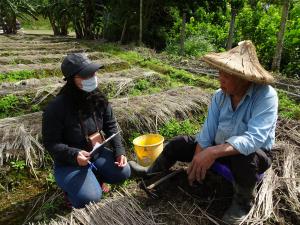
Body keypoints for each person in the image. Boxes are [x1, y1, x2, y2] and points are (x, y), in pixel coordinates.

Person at [129, 40, 278, 224]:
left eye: (227, 74)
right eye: (220, 72)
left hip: (254, 154)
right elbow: (207, 133)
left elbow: (254, 139)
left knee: (244, 157)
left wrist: (212, 152)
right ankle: (151, 172)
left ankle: (242, 202)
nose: (220, 78)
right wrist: (198, 161)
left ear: (244, 77)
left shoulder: (265, 96)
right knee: (179, 143)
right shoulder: (219, 96)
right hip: (219, 146)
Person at [42, 53, 131, 208]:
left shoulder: (98, 98)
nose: (92, 77)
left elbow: (110, 125)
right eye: (86, 75)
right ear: (71, 80)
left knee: (124, 172)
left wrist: (119, 150)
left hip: (96, 153)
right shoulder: (56, 108)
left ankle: (96, 176)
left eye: (93, 72)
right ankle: (71, 194)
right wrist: (74, 154)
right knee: (89, 198)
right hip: (69, 162)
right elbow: (51, 143)